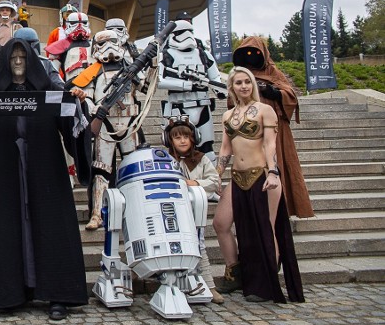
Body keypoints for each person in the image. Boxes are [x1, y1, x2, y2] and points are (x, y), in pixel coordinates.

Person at [0, 39, 88, 321]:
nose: (18, 62)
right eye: (13, 58)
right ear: (5, 63)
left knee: (50, 225)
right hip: (4, 172)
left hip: (45, 170)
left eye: (23, 57)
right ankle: (9, 293)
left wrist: (76, 102)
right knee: (6, 226)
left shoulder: (47, 91)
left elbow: (71, 125)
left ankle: (58, 294)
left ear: (31, 61)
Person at [212, 66, 304, 303]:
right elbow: (225, 149)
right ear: (231, 87)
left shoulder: (266, 110)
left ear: (252, 84)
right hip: (237, 176)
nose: (243, 86)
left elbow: (270, 145)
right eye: (238, 83)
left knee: (267, 228)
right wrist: (217, 175)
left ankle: (266, 281)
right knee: (220, 222)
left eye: (247, 82)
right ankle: (235, 273)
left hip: (263, 174)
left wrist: (273, 172)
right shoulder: (227, 115)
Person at [68, 29, 143, 230]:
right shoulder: (94, 70)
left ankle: (137, 209)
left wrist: (150, 62)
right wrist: (95, 109)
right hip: (105, 125)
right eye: (103, 43)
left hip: (129, 123)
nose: (108, 47)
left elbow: (145, 85)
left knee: (133, 168)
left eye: (112, 41)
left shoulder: (131, 68)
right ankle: (97, 213)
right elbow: (86, 94)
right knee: (101, 171)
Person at [232, 36, 314, 218]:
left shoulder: (273, 71)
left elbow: (290, 95)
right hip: (250, 131)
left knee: (277, 163)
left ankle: (282, 208)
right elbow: (231, 101)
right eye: (246, 52)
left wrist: (275, 93)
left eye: (255, 52)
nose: (251, 56)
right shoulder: (240, 75)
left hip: (275, 129)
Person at [163, 116, 223, 304]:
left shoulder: (201, 159)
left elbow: (214, 181)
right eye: (177, 137)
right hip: (172, 212)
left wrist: (194, 183)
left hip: (195, 212)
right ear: (170, 140)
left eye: (186, 137)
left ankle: (209, 285)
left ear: (192, 138)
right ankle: (172, 286)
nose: (182, 141)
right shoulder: (165, 160)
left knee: (200, 245)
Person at [158, 13, 226, 166]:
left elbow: (215, 77)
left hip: (202, 106)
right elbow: (159, 80)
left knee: (207, 149)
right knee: (178, 149)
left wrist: (218, 89)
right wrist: (184, 84)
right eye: (182, 33)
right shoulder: (165, 55)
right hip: (178, 106)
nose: (187, 36)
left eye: (190, 32)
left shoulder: (203, 54)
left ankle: (209, 183)